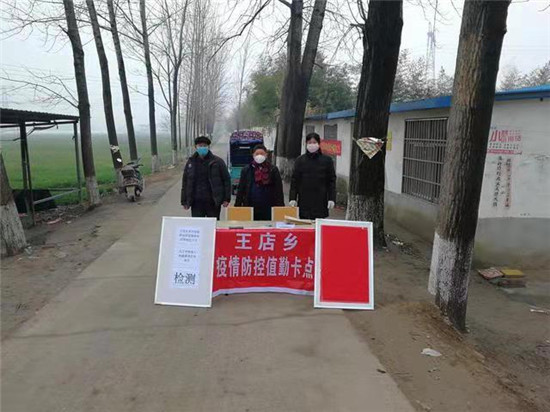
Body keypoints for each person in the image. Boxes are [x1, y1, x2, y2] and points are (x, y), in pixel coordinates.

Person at [181, 135, 231, 220]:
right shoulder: (191, 163)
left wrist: (226, 198)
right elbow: (185, 182)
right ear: (196, 147)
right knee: (198, 225)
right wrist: (184, 200)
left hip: (213, 202)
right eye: (200, 146)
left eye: (205, 146)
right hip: (196, 202)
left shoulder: (218, 162)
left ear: (208, 147)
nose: (202, 148)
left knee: (213, 225)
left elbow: (226, 180)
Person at [289, 132, 336, 219]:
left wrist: (331, 198)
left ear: (319, 144)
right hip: (304, 200)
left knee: (318, 224)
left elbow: (331, 181)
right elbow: (295, 180)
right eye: (309, 142)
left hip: (320, 200)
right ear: (306, 144)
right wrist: (292, 198)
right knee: (305, 223)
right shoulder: (300, 160)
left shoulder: (327, 160)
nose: (312, 145)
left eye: (314, 142)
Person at [235, 144, 284, 221]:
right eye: (257, 154)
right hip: (251, 205)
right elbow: (241, 189)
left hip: (269, 205)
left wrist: (280, 207)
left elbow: (278, 189)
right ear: (253, 155)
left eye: (262, 154)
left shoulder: (273, 169)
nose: (259, 156)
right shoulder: (247, 169)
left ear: (266, 155)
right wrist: (237, 206)